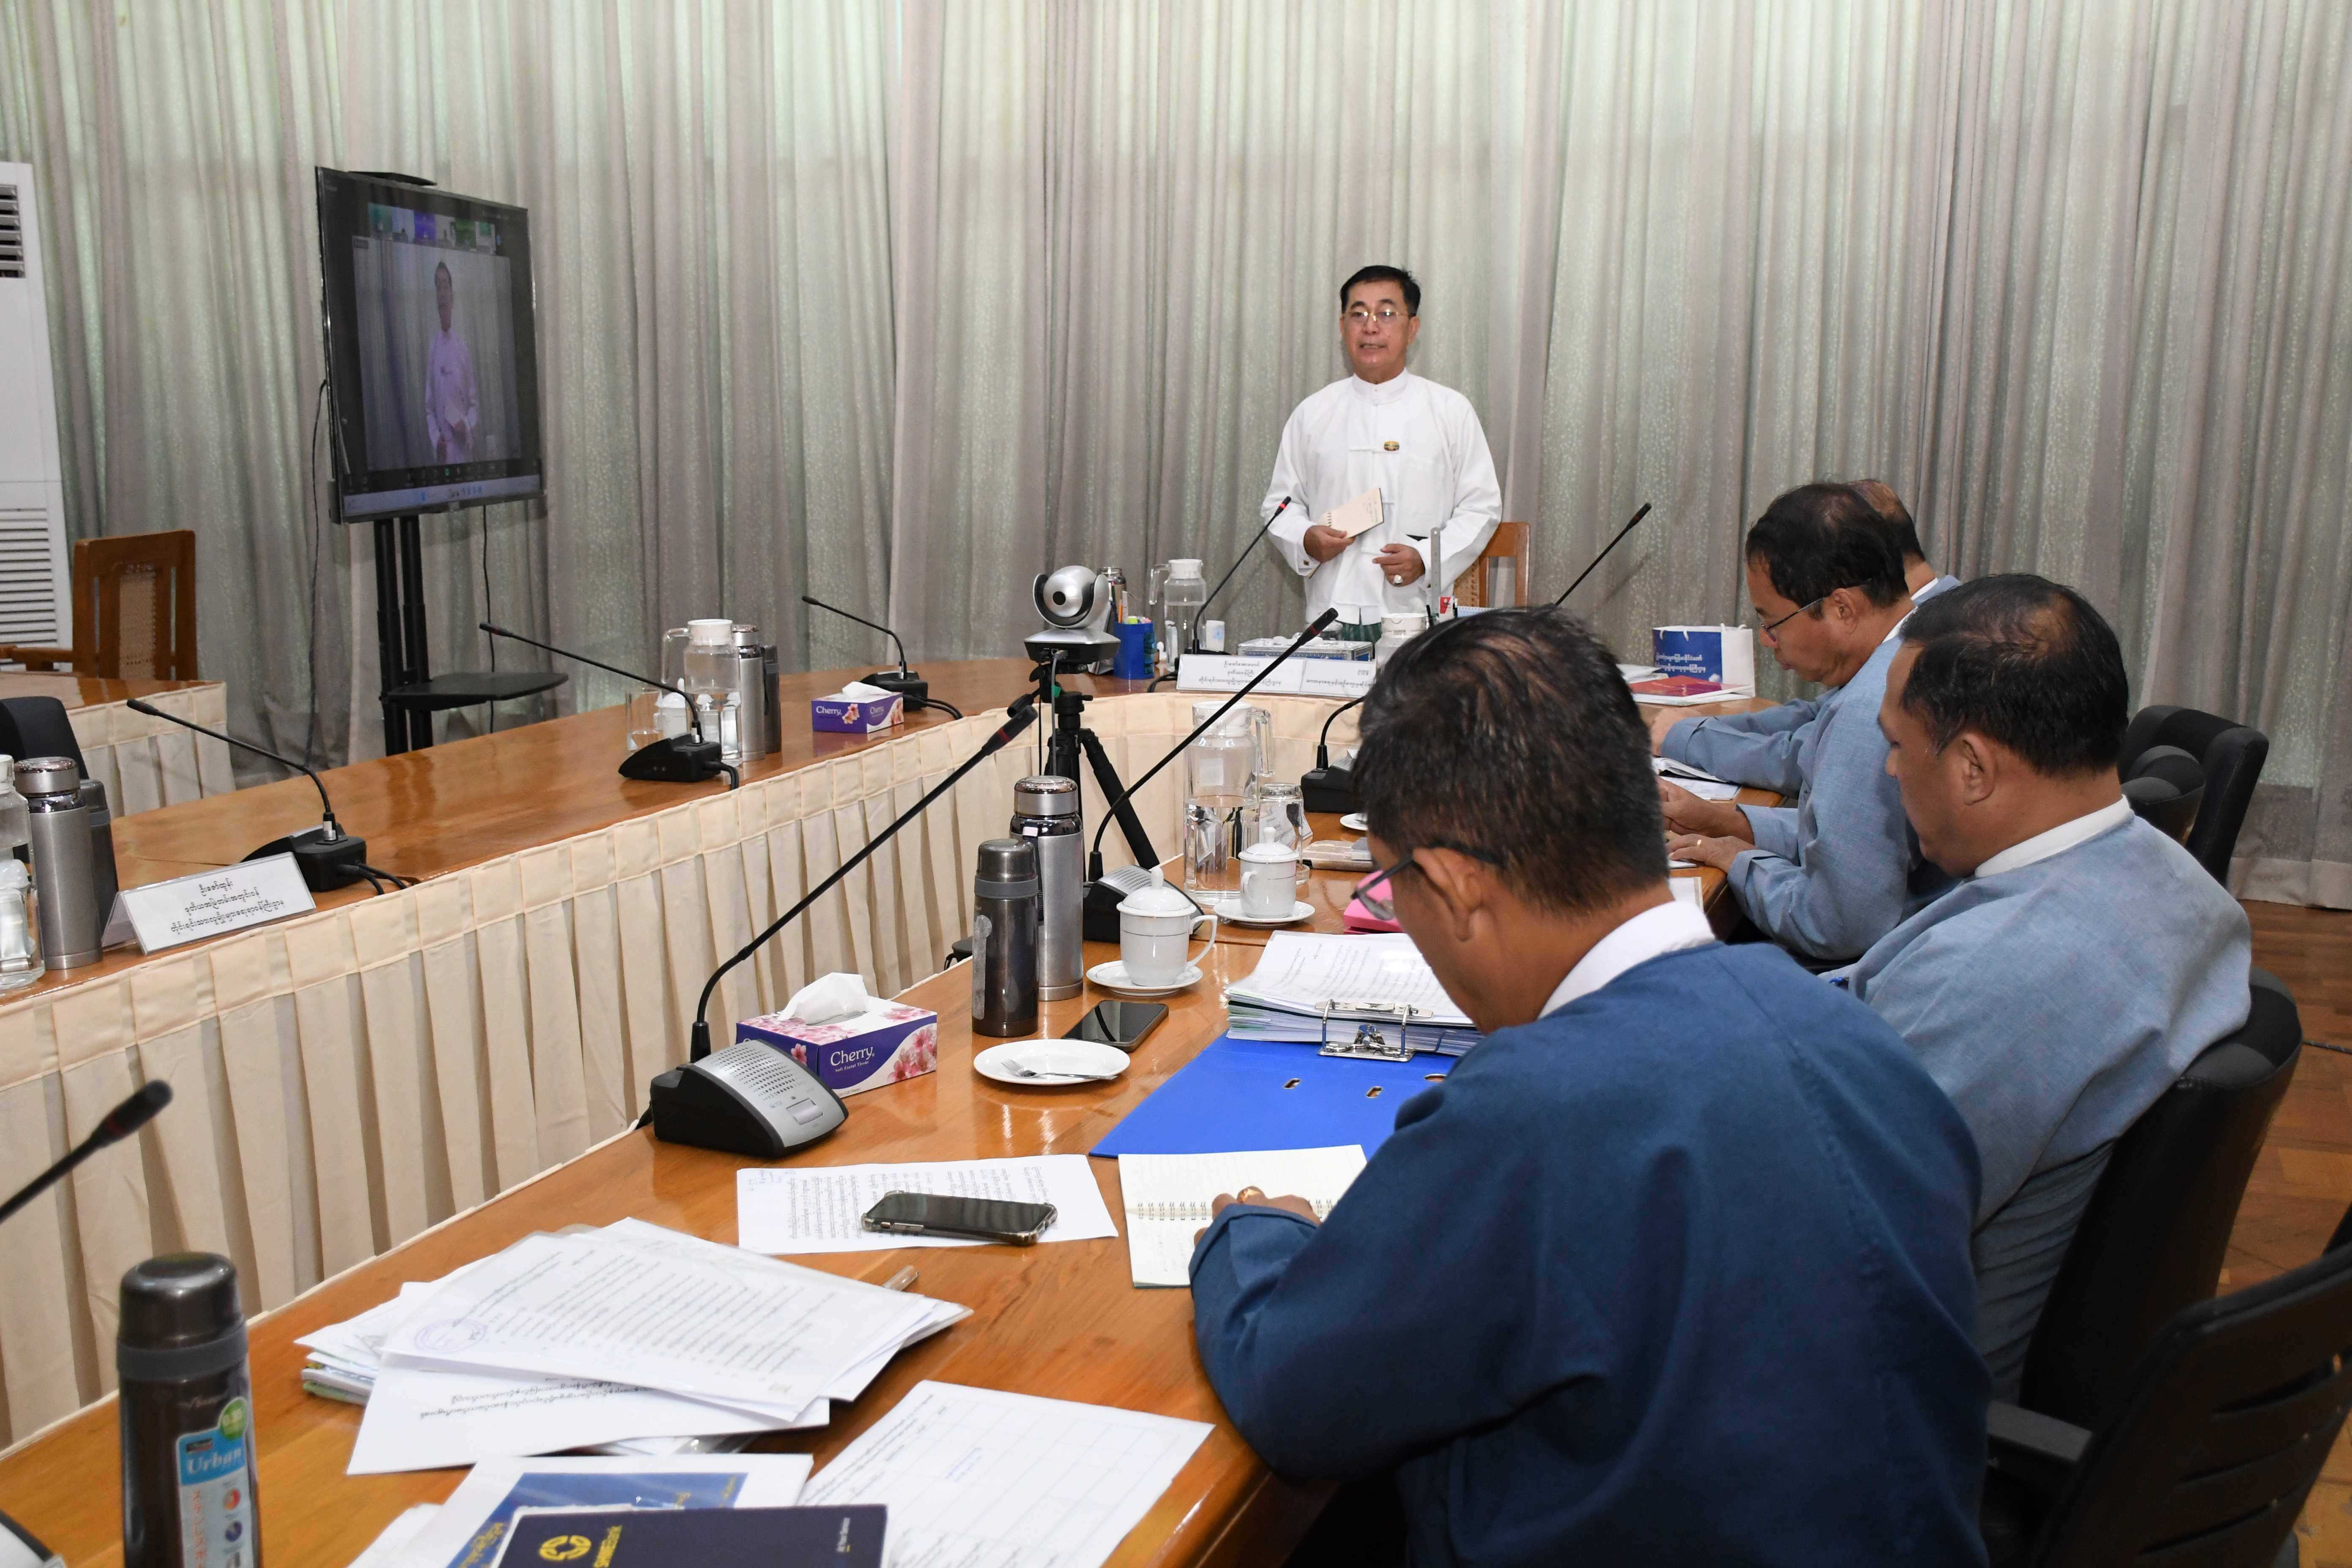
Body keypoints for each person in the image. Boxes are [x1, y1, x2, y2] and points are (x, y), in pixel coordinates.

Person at [1187, 607, 1990, 1567]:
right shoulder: (1862, 1040)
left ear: (1449, 886)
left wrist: (1251, 1232)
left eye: (1390, 881)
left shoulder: (1534, 1107)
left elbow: (1296, 1395)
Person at [1853, 574, 2251, 1396]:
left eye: (1896, 744)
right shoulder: (2177, 883)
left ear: (1971, 767)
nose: (1889, 771)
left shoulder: (1995, 976)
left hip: (1893, 1406)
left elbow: (1815, 1238)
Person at [1662, 483, 1943, 961]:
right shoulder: (1923, 640)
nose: (1769, 641)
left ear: (1842, 608)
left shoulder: (1872, 710)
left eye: (1773, 622)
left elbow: (1834, 925)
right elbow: (1854, 846)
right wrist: (1728, 823)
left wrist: (1739, 861)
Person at [1650, 478, 1958, 794]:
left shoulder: (1890, 682)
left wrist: (1691, 738)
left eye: (1773, 622)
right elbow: (1819, 717)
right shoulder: (1898, 637)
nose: (1767, 639)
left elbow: (1809, 763)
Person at [1262, 266, 1501, 626]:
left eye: (1387, 314)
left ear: (1413, 328)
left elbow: (1480, 507)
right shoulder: (1313, 413)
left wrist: (1425, 559)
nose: (1371, 327)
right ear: (1343, 328)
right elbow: (1280, 507)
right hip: (1331, 616)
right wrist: (1307, 539)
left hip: (1417, 619)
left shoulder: (1450, 411)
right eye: (1358, 314)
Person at [426, 260, 479, 464]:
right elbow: (429, 408)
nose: (442, 292)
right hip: (443, 452)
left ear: (452, 293)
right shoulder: (433, 349)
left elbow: (474, 405)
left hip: (464, 450)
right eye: (438, 287)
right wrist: (435, 438)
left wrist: (465, 424)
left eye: (445, 285)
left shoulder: (463, 348)